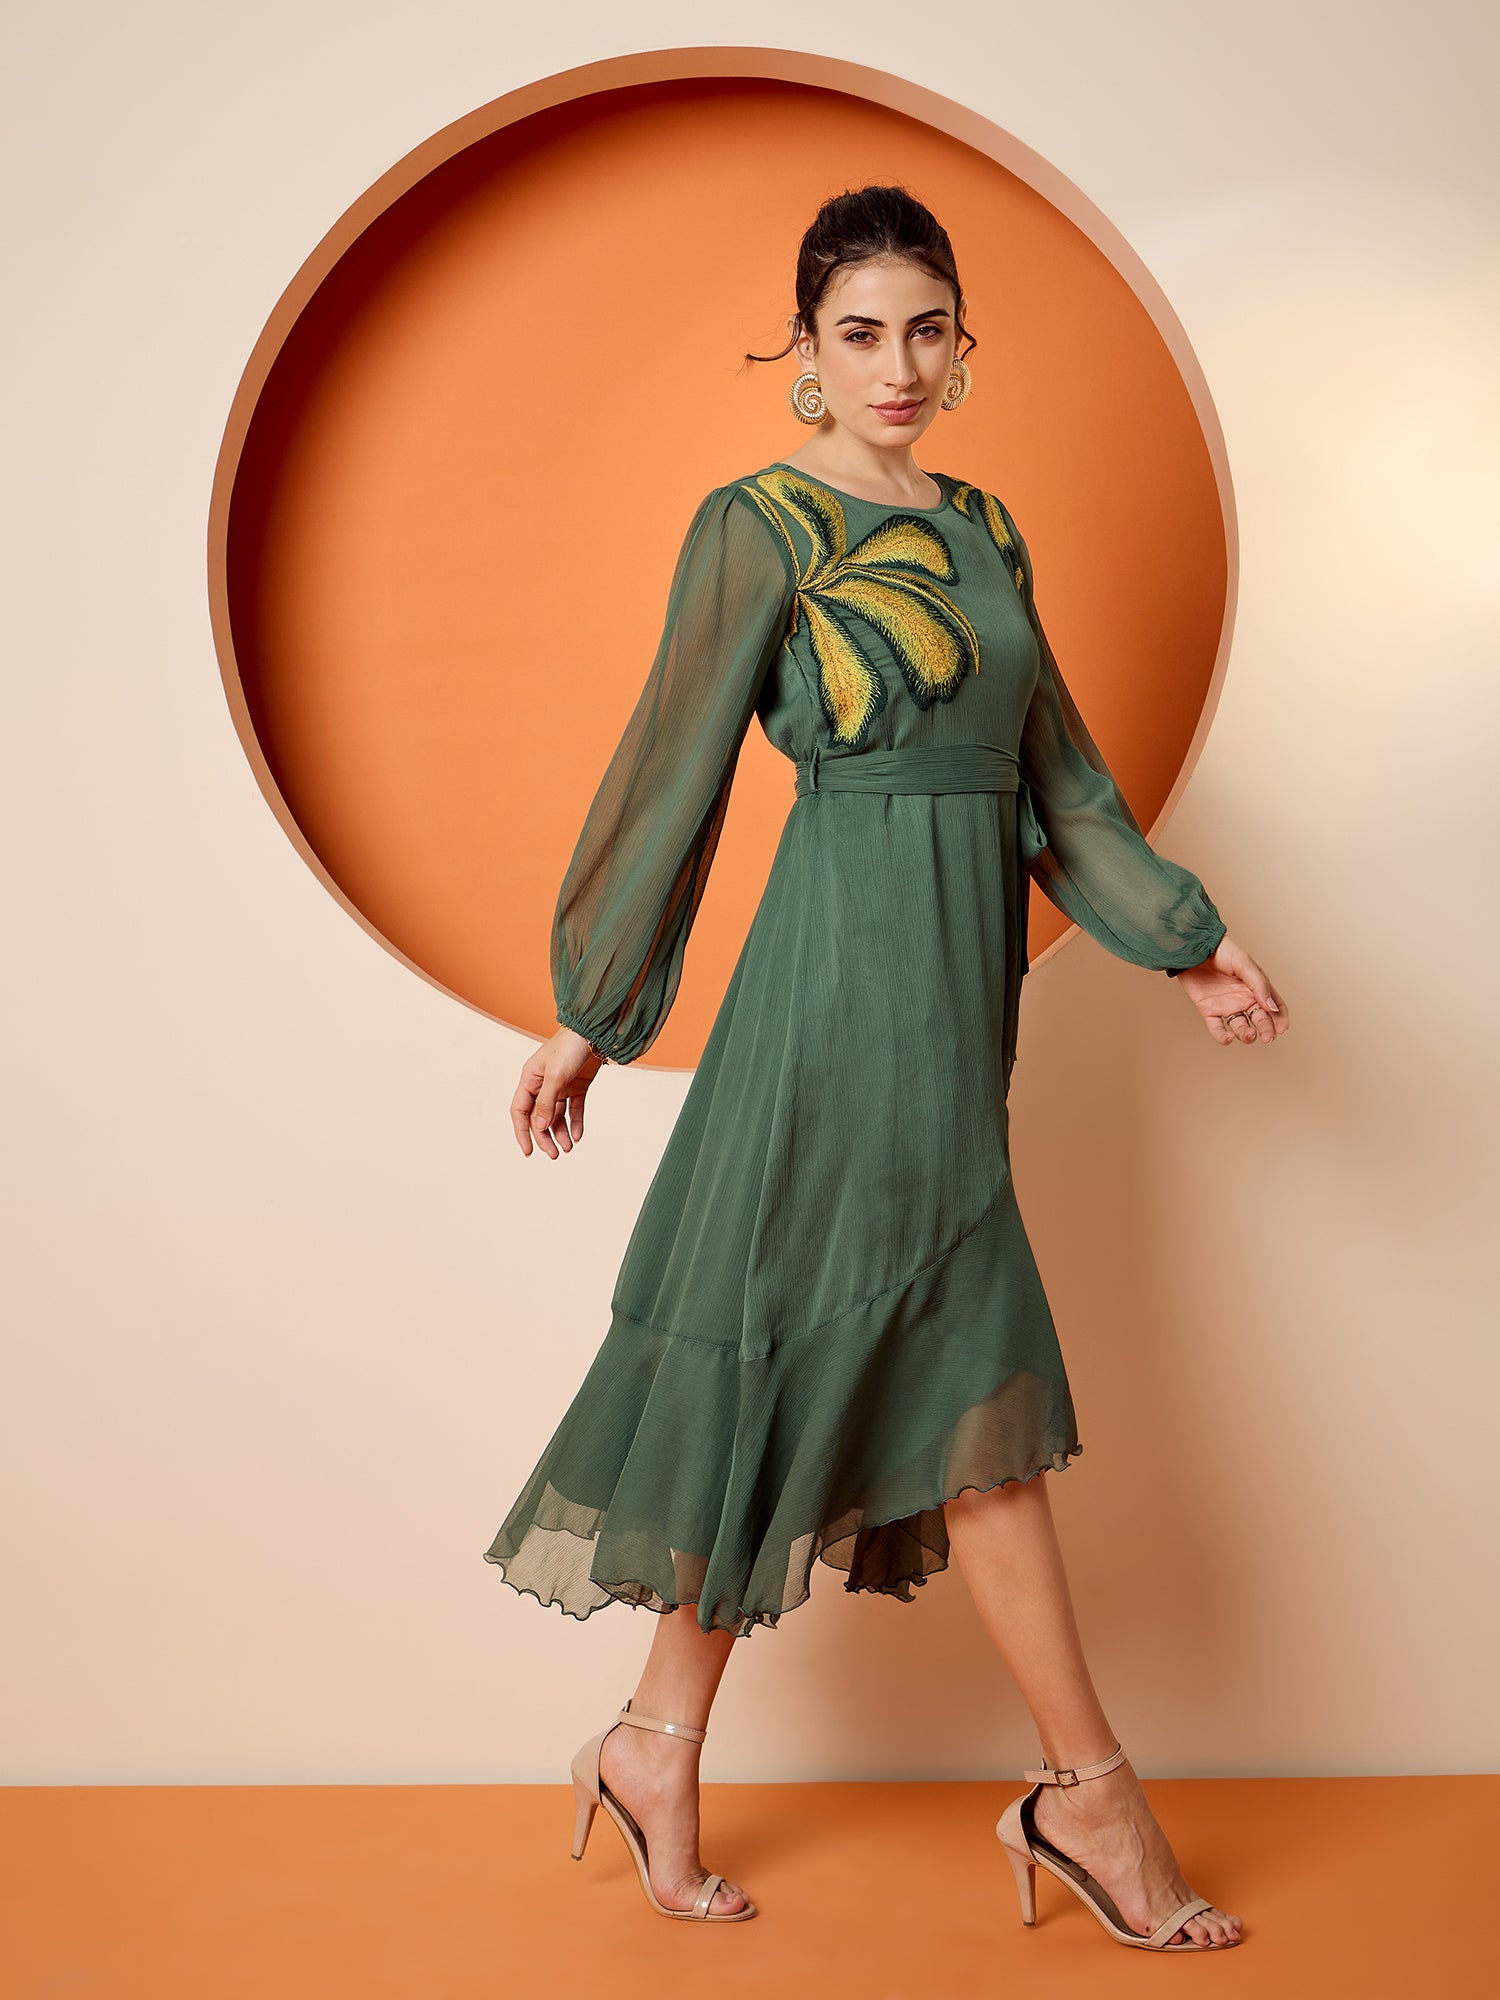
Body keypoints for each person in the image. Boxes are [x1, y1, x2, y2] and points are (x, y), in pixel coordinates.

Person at [489, 184, 1284, 1950]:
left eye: (928, 329)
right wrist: (594, 1013)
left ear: (962, 342)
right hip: (833, 992)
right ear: (805, 349)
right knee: (964, 1371)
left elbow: (1059, 777)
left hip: (954, 999)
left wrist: (1184, 939)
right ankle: (1090, 1797)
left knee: (821, 1345)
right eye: (859, 333)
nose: (897, 365)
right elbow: (673, 769)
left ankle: (652, 1745)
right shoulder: (758, 525)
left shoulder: (987, 528)